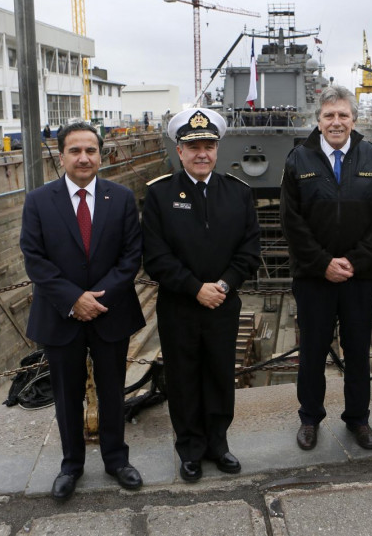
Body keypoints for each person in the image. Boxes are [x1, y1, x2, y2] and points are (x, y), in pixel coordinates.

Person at [19, 121, 146, 501]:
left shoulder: (121, 198)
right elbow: (34, 258)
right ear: (61, 157)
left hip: (111, 313)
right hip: (60, 315)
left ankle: (116, 460)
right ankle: (70, 465)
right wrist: (74, 299)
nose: (83, 157)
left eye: (91, 150)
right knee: (66, 395)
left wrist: (97, 298)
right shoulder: (39, 201)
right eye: (75, 150)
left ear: (101, 155)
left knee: (112, 393)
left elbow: (131, 256)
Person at [142, 108, 260, 482]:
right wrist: (195, 288)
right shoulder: (160, 194)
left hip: (223, 305)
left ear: (217, 149)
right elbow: (156, 257)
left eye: (208, 145)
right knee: (183, 379)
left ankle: (218, 445)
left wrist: (222, 286)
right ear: (179, 151)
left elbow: (249, 251)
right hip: (179, 307)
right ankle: (190, 449)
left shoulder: (238, 193)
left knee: (220, 375)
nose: (201, 153)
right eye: (193, 146)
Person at [280, 85, 372, 451]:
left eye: (342, 115)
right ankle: (310, 419)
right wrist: (322, 263)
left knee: (358, 350)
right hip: (314, 277)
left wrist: (357, 260)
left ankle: (358, 419)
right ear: (318, 120)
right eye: (329, 116)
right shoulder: (298, 160)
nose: (336, 122)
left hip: (359, 277)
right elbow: (291, 220)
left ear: (354, 120)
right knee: (312, 352)